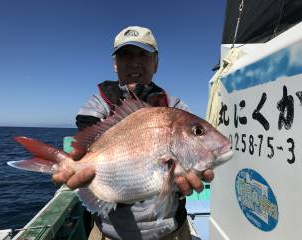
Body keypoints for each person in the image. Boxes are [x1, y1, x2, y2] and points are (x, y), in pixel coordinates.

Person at [52, 26, 214, 240]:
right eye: (126, 55)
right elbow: (85, 145)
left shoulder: (175, 108)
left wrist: (199, 163)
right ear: (115, 64)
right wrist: (70, 165)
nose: (134, 62)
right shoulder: (97, 105)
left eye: (143, 55)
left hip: (170, 232)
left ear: (155, 62)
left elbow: (194, 147)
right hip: (109, 234)